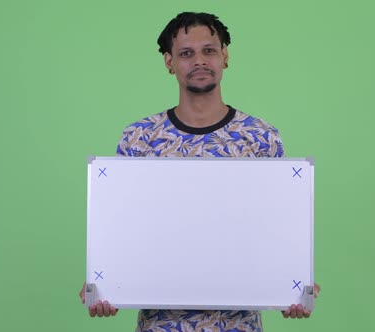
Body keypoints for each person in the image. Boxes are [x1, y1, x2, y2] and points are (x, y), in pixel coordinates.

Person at [79, 11, 320, 331]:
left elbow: (277, 227)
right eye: (186, 53)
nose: (199, 61)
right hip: (160, 325)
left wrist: (295, 286)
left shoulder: (260, 136)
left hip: (239, 325)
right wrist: (104, 284)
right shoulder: (141, 137)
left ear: (225, 56)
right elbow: (122, 227)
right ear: (169, 62)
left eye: (209, 50)